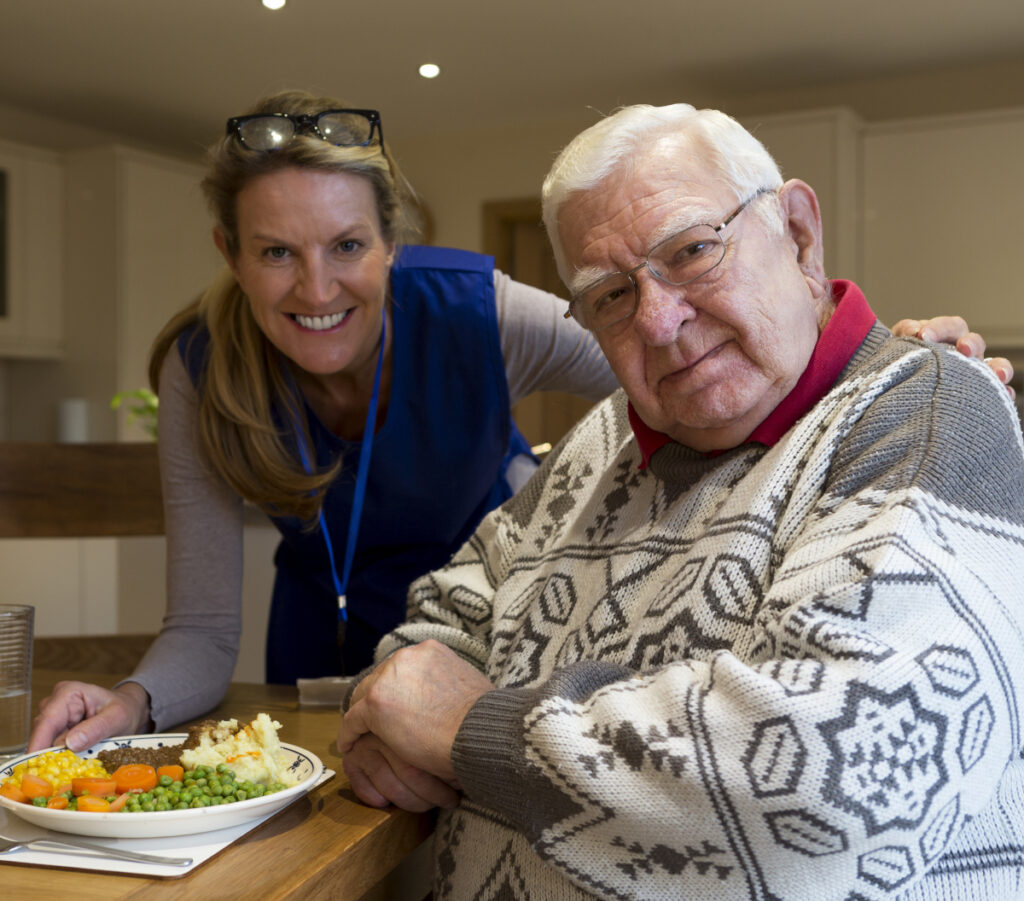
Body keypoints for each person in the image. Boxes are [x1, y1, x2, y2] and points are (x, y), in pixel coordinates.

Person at [27, 90, 1012, 756]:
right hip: (326, 663)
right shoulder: (202, 367)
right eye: (275, 252)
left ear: (391, 243)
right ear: (229, 253)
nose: (316, 286)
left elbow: (691, 367)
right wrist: (132, 704)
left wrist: (884, 353)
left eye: (348, 245)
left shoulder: (478, 311)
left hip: (490, 655)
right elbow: (200, 627)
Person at [337, 103, 1024, 900]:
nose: (659, 320)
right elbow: (445, 623)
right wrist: (389, 706)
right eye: (610, 296)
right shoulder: (602, 442)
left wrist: (468, 731)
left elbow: (831, 786)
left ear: (799, 234)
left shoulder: (925, 415)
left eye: (693, 251)